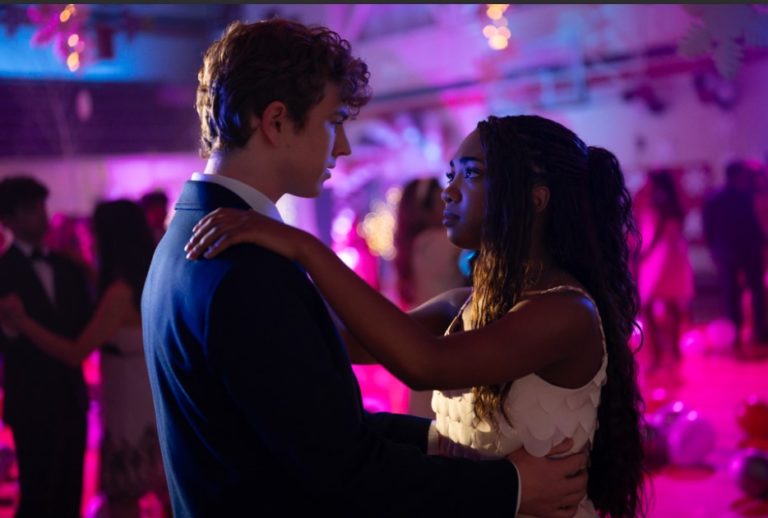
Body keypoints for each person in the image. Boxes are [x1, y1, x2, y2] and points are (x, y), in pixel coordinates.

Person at [143, 19, 588, 517]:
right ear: (276, 122)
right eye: (334, 122)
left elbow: (315, 427)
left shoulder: (188, 238)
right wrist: (508, 487)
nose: (343, 146)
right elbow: (342, 467)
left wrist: (449, 445)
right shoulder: (244, 261)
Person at [186, 114, 647, 518]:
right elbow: (349, 339)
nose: (449, 191)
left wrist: (304, 248)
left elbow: (427, 364)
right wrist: (257, 277)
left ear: (534, 198)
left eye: (471, 174)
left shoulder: (565, 311)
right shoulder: (463, 302)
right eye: (451, 174)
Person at [0, 199, 166, 518]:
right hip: (143, 394)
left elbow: (75, 352)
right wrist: (87, 268)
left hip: (128, 404)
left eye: (94, 233)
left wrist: (22, 322)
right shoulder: (143, 277)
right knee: (156, 492)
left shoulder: (119, 292)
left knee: (124, 499)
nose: (90, 239)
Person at [0, 176, 94, 518]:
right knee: (38, 494)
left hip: (71, 397)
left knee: (71, 493)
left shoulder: (67, 266)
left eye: (42, 207)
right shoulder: (3, 270)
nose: (41, 215)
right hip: (30, 400)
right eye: (30, 209)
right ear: (8, 220)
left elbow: (85, 324)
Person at [394, 177, 466, 418]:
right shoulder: (444, 242)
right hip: (446, 338)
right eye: (442, 199)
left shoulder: (415, 246)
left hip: (422, 340)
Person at [702, 159, 768, 357]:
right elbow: (754, 224)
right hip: (747, 250)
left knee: (732, 294)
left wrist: (713, 250)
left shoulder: (715, 198)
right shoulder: (746, 196)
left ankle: (736, 333)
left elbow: (709, 228)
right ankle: (759, 331)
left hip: (728, 251)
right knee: (755, 291)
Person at [635, 169, 694, 376]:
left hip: (659, 257)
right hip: (675, 254)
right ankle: (674, 351)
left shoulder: (657, 201)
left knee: (648, 304)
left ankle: (658, 355)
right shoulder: (675, 203)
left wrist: (643, 254)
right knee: (672, 303)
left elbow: (657, 231)